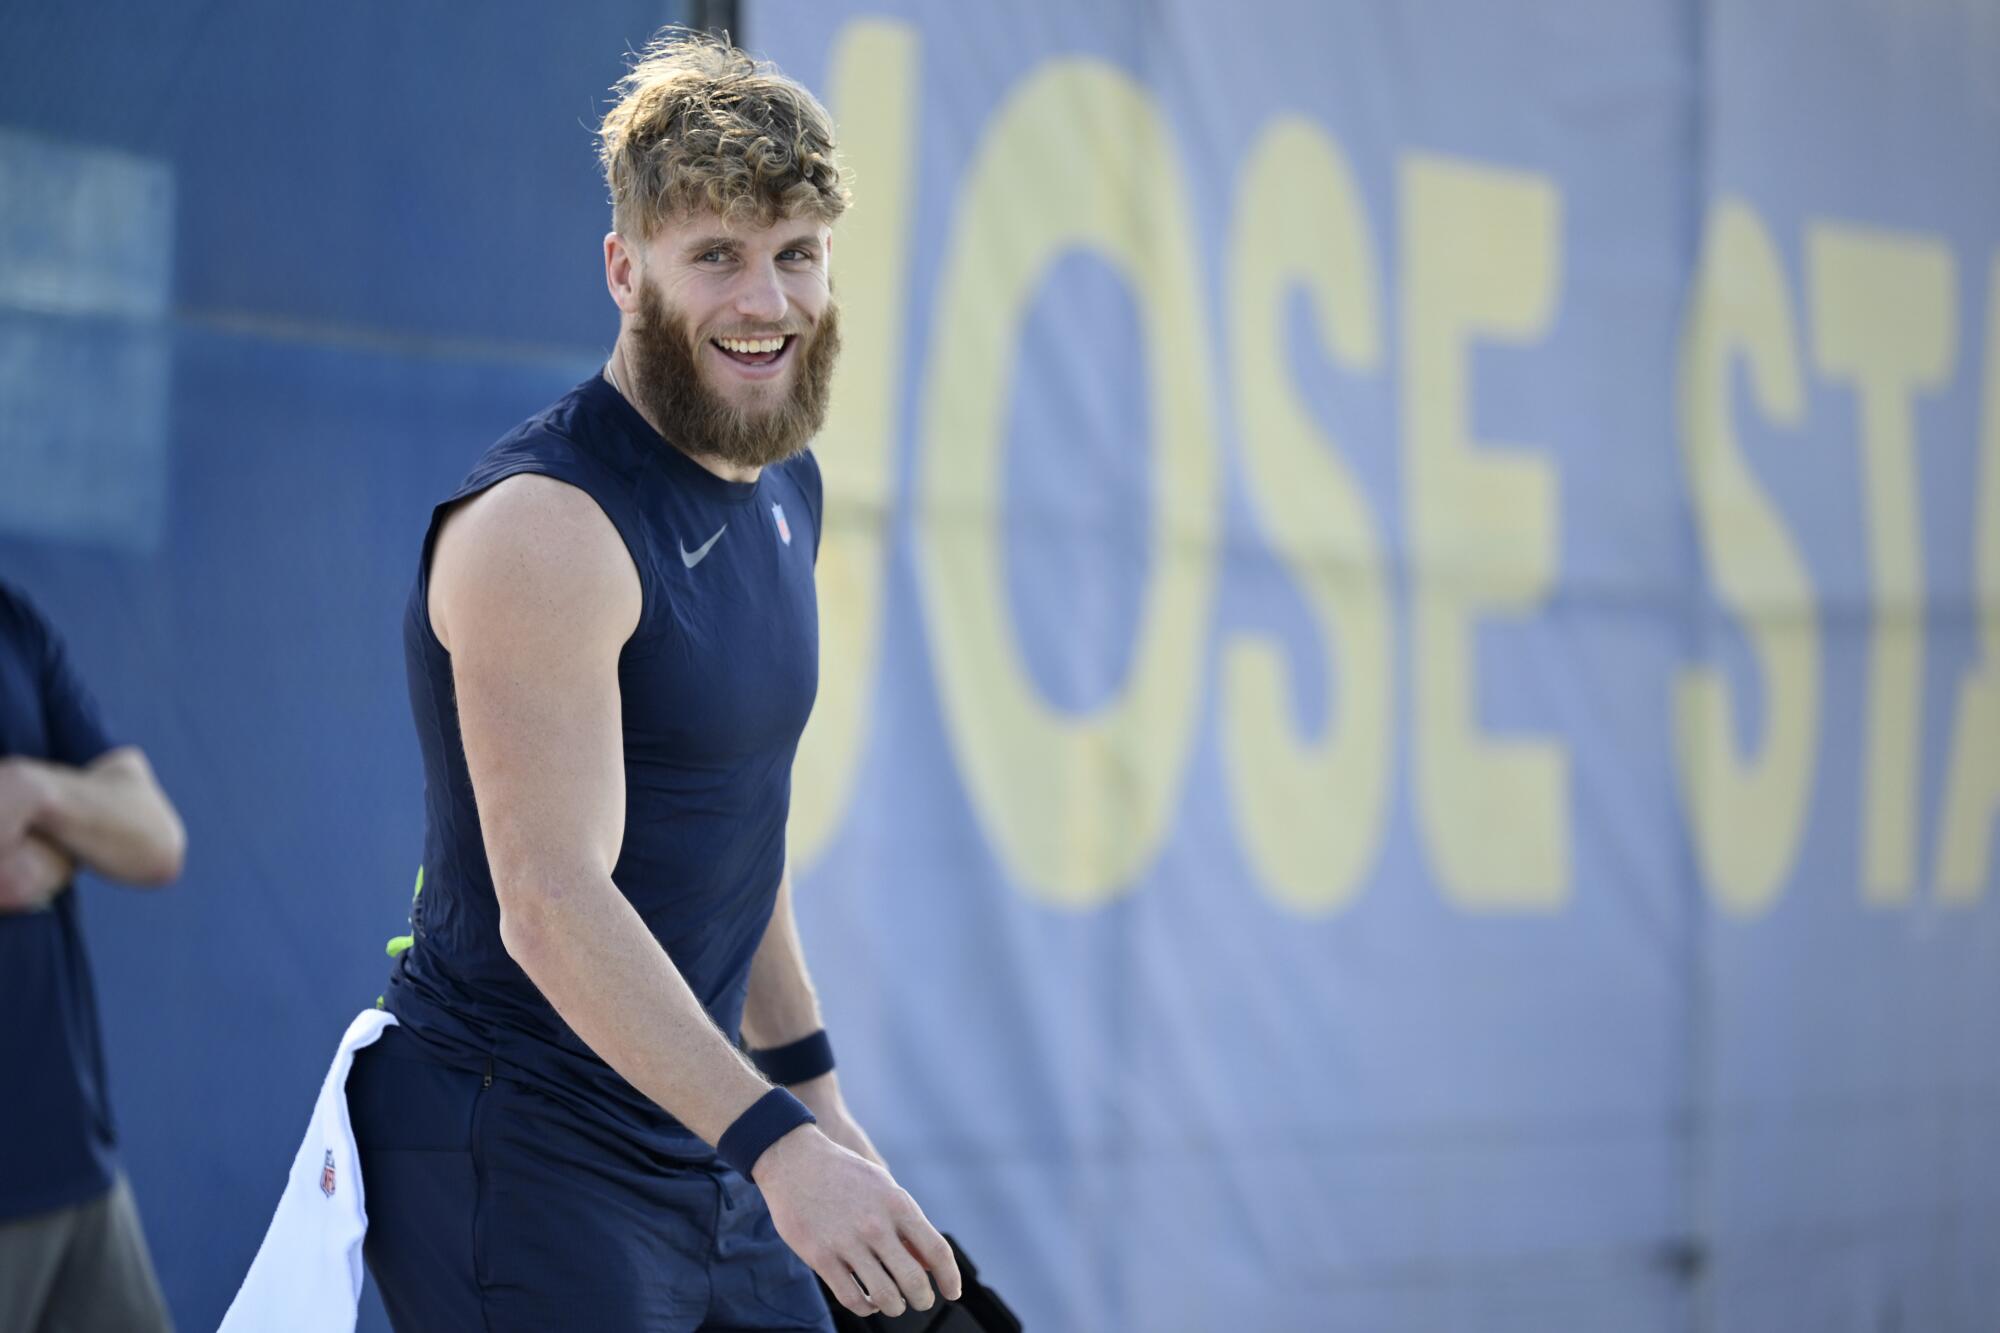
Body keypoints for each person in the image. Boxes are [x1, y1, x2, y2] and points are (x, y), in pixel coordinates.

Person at [352, 30, 962, 1332]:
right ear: (626, 272)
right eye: (716, 256)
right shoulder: (546, 526)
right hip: (515, 1140)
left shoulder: (783, 486)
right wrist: (779, 1144)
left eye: (796, 254)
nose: (766, 300)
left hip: (701, 1123)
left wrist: (813, 1100)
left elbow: (737, 825)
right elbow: (550, 901)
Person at [0, 579, 187, 1333]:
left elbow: (154, 835)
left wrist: (34, 790)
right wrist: (77, 838)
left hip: (77, 1171)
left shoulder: (13, 621)